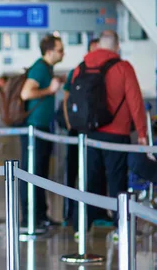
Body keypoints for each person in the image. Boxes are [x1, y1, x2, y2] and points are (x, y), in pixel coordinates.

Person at [70, 30, 147, 232]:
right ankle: (120, 227)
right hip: (117, 134)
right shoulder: (123, 67)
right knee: (116, 179)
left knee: (89, 179)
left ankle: (82, 226)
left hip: (88, 134)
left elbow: (74, 100)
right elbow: (135, 102)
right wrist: (142, 133)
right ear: (117, 46)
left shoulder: (81, 67)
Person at [19, 34, 65, 228]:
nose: (63, 53)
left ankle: (41, 215)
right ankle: (29, 218)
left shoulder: (47, 68)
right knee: (32, 172)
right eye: (60, 50)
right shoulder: (39, 67)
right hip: (34, 128)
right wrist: (50, 90)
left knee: (41, 173)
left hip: (42, 128)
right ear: (49, 51)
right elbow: (26, 93)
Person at [62, 38, 100, 223]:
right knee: (73, 170)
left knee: (94, 171)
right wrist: (71, 124)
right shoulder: (77, 70)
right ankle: (70, 213)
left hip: (95, 130)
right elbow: (67, 98)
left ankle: (94, 213)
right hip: (77, 129)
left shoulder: (106, 71)